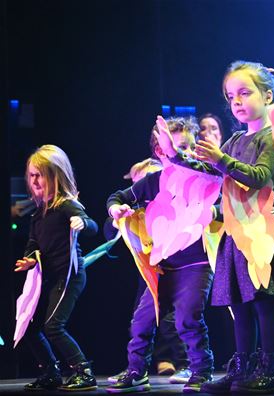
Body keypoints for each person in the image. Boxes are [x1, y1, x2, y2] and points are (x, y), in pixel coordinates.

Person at [153, 60, 274, 394]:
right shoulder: (234, 140)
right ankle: (243, 367)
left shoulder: (273, 138)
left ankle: (272, 368)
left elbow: (261, 177)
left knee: (262, 301)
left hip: (261, 234)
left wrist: (221, 160)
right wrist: (176, 156)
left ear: (266, 95)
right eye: (230, 95)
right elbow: (208, 174)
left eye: (244, 93)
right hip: (235, 234)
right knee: (240, 303)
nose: (235, 101)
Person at [106, 116, 215, 394]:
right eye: (178, 148)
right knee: (142, 320)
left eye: (190, 147)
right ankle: (136, 371)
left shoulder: (202, 177)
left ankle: (201, 370)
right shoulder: (155, 182)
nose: (185, 154)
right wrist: (116, 209)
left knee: (187, 318)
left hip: (196, 264)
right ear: (160, 151)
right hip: (163, 267)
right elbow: (119, 196)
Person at [15, 144, 98, 391]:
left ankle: (83, 371)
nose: (36, 180)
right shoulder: (38, 214)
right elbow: (33, 244)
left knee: (53, 326)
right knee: (30, 326)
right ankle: (51, 373)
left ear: (56, 175)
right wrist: (30, 258)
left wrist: (81, 222)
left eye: (41, 174)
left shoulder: (66, 205)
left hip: (69, 275)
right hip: (50, 278)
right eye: (32, 175)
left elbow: (91, 225)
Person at [106, 156, 192, 384]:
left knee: (177, 318)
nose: (142, 188)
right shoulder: (134, 208)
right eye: (137, 183)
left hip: (175, 265)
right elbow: (109, 230)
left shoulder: (171, 199)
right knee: (141, 318)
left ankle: (186, 364)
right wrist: (117, 218)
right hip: (148, 270)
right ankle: (136, 368)